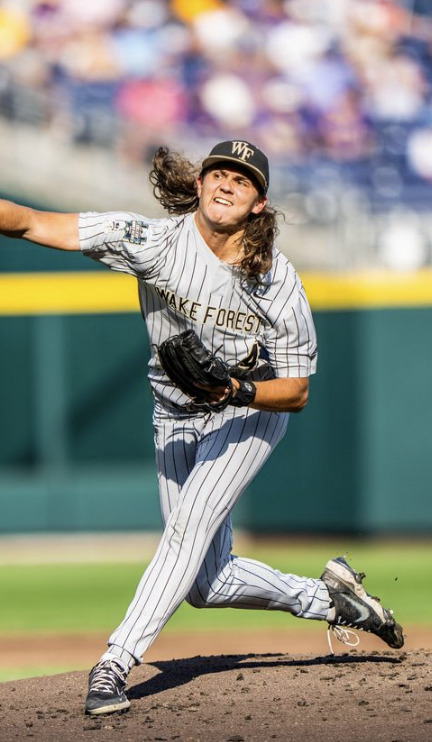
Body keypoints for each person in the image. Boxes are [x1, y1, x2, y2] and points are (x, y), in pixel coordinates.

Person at [0, 139, 404, 716]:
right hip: (174, 415)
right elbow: (34, 223)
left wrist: (238, 390)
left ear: (259, 204)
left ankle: (114, 662)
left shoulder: (277, 281)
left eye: (241, 181)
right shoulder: (154, 243)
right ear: (198, 184)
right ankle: (332, 600)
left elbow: (297, 390)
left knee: (187, 530)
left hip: (248, 413)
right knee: (205, 584)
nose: (225, 184)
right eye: (218, 172)